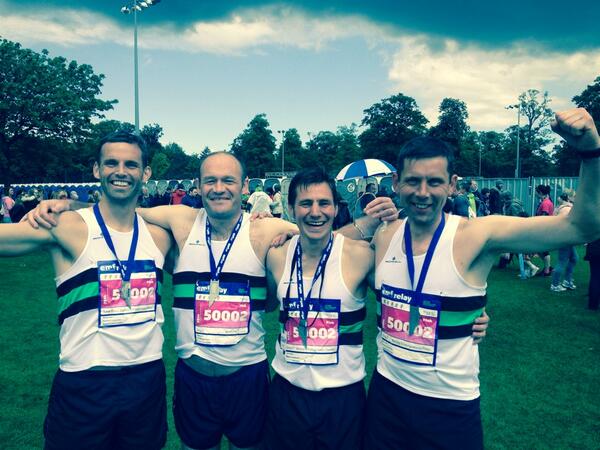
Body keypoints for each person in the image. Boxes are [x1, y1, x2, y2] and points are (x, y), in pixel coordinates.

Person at [27, 151, 399, 450]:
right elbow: (120, 209)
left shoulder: (265, 229)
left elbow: (321, 237)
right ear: (199, 186)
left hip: (249, 376)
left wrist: (366, 224)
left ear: (244, 186)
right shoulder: (180, 219)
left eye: (228, 181)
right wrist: (67, 205)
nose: (219, 188)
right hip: (193, 375)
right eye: (210, 181)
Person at [364, 108, 600, 450]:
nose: (423, 192)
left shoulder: (479, 235)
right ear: (396, 183)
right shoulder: (384, 236)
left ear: (452, 184)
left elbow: (582, 227)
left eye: (434, 181)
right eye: (413, 181)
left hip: (449, 405)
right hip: (385, 395)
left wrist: (591, 152)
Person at [263, 168, 488, 450]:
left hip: (343, 396)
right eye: (305, 204)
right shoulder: (275, 256)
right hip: (287, 391)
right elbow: (268, 303)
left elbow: (408, 290)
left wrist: (473, 314)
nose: (315, 212)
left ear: (335, 208)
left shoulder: (362, 256)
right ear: (291, 209)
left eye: (324, 203)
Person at [0, 130, 172, 449]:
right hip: (84, 381)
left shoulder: (160, 237)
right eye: (111, 163)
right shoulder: (67, 226)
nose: (121, 171)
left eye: (131, 164)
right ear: (96, 170)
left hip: (146, 381)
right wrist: (65, 205)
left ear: (146, 173)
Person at [550, 190, 578, 291]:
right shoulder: (567, 209)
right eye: (574, 196)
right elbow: (563, 224)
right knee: (562, 261)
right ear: (569, 197)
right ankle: (555, 284)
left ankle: (567, 280)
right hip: (565, 238)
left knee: (574, 258)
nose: (576, 198)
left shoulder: (562, 208)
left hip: (567, 238)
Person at [535, 184, 555, 276]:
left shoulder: (546, 203)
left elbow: (544, 217)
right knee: (539, 249)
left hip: (543, 229)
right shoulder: (546, 201)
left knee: (543, 249)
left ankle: (547, 270)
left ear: (541, 193)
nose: (536, 195)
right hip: (545, 229)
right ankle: (548, 268)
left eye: (537, 193)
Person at [584, 238, 600, 310]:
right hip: (595, 249)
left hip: (594, 249)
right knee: (595, 277)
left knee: (595, 277)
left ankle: (593, 304)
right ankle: (593, 303)